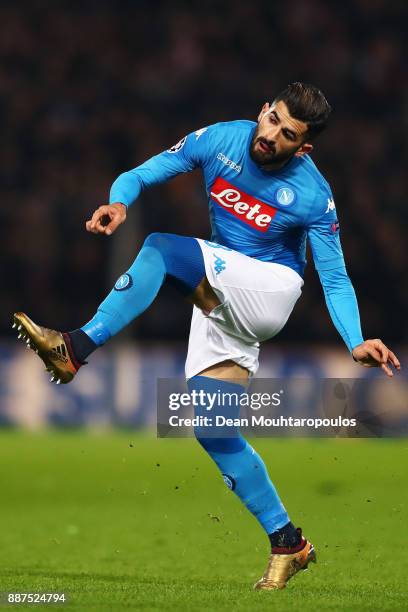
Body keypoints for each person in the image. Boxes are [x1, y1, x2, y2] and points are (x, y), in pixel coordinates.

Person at [14, 82, 400, 591]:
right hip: (224, 292)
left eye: (288, 134)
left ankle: (75, 349)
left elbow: (334, 276)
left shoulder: (313, 193)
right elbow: (141, 173)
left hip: (270, 291)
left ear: (303, 147)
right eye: (273, 120)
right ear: (263, 110)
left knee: (163, 249)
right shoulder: (220, 140)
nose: (272, 136)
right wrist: (119, 203)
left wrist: (354, 340)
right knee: (213, 427)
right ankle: (288, 542)